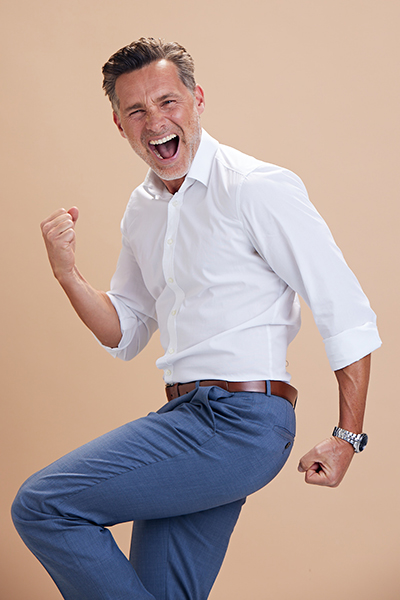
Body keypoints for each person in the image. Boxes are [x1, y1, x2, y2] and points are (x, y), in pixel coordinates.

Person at [12, 37, 381, 600]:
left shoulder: (256, 188)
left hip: (240, 423)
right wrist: (67, 274)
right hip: (186, 417)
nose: (155, 121)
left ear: (198, 99)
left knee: (44, 505)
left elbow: (344, 309)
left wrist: (346, 437)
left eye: (168, 101)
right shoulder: (142, 210)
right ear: (119, 124)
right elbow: (125, 330)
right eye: (136, 110)